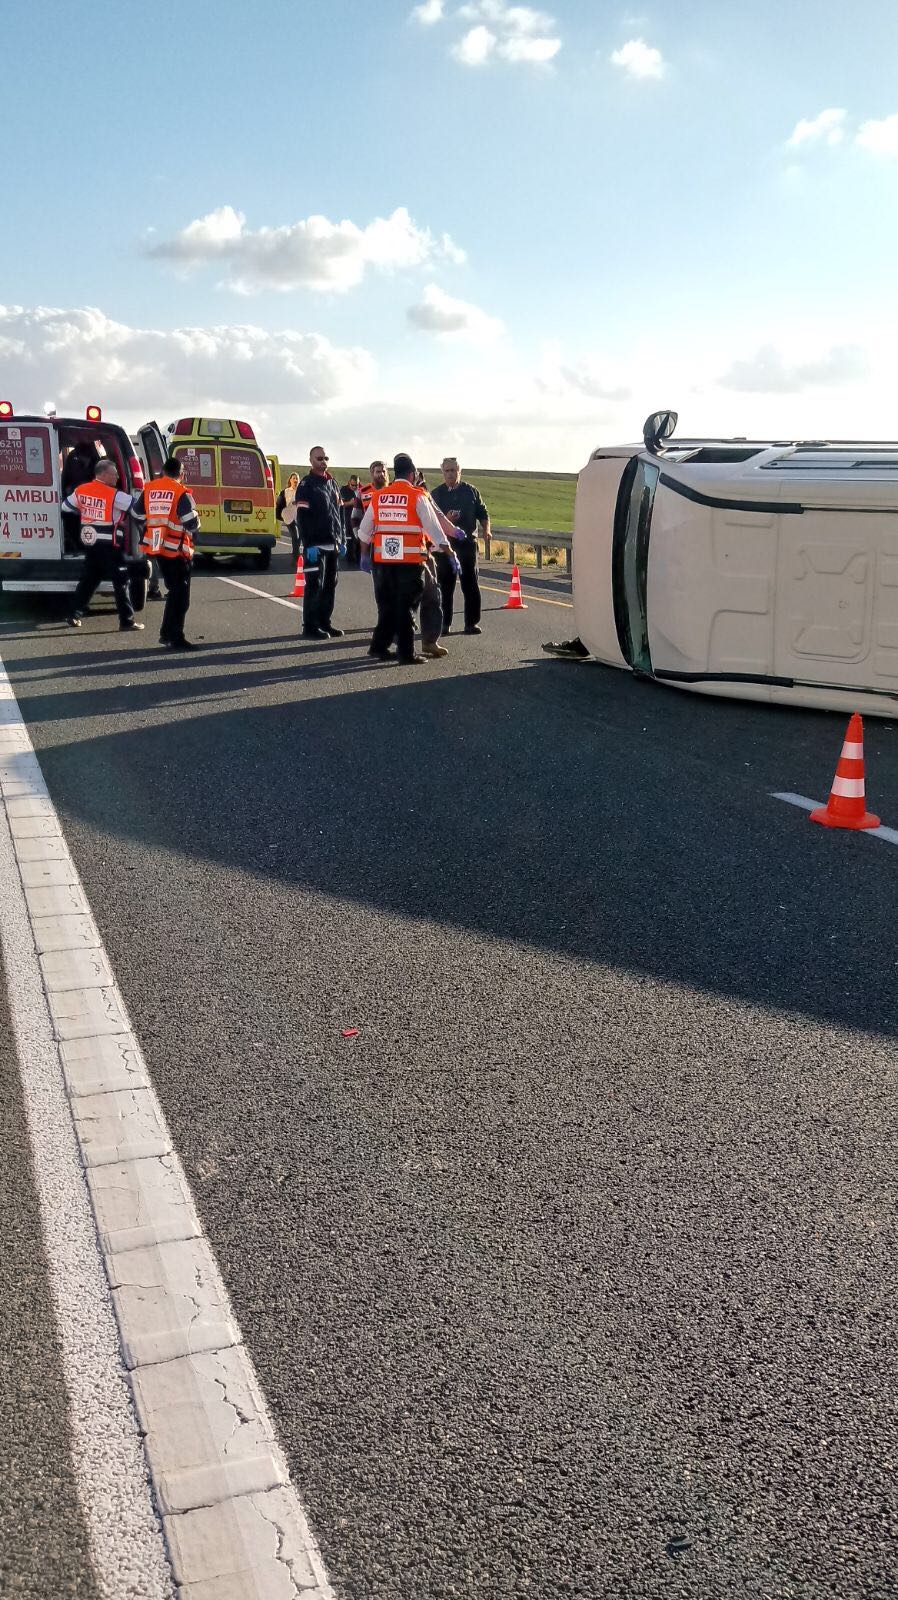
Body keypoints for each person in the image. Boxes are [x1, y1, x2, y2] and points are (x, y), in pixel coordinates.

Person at [357, 452, 454, 664]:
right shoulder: (417, 496)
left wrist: (364, 555)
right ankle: (406, 653)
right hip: (409, 562)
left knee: (388, 607)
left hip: (383, 562)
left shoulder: (379, 496)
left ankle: (378, 647)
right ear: (412, 474)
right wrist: (450, 553)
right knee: (406, 607)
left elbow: (364, 531)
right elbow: (435, 531)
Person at [63, 459, 144, 631]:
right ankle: (127, 622)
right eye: (114, 474)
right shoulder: (115, 495)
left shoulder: (81, 490)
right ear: (104, 474)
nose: (117, 477)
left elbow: (66, 507)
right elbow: (137, 509)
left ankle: (74, 614)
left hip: (91, 544)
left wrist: (84, 511)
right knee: (121, 582)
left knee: (88, 580)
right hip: (110, 546)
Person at [131, 455, 201, 651]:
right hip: (177, 550)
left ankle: (168, 633)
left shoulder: (149, 489)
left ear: (162, 471)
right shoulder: (181, 492)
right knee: (180, 596)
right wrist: (197, 523)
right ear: (181, 474)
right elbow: (191, 523)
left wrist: (149, 526)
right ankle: (173, 636)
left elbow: (136, 514)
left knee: (174, 592)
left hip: (158, 547)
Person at [430, 457, 490, 635]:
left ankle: (471, 623)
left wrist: (486, 530)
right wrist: (447, 519)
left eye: (453, 470)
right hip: (445, 546)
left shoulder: (471, 492)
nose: (450, 474)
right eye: (447, 471)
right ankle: (444, 624)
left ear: (459, 471)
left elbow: (483, 513)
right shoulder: (436, 494)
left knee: (470, 584)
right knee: (445, 586)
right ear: (442, 472)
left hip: (467, 545)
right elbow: (430, 521)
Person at [295, 447, 344, 639]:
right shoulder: (306, 485)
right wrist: (308, 544)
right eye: (319, 458)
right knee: (315, 585)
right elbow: (302, 518)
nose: (323, 461)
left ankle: (325, 622)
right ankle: (310, 626)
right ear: (311, 460)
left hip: (333, 543)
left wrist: (342, 539)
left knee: (330, 585)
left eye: (326, 458)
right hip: (315, 545)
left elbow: (340, 514)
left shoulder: (333, 483)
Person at [276, 471, 300, 559]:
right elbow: (279, 503)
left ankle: (295, 553)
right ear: (290, 480)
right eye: (293, 478)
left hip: (299, 517)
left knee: (299, 538)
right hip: (289, 517)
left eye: (297, 478)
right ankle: (296, 556)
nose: (295, 480)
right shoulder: (285, 491)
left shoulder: (302, 491)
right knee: (295, 535)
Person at [340, 474, 361, 565]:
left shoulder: (361, 490)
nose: (354, 487)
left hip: (358, 518)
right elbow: (341, 503)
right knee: (349, 538)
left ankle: (358, 558)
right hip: (348, 517)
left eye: (356, 485)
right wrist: (351, 502)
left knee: (358, 538)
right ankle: (349, 558)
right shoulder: (343, 490)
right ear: (349, 482)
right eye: (353, 485)